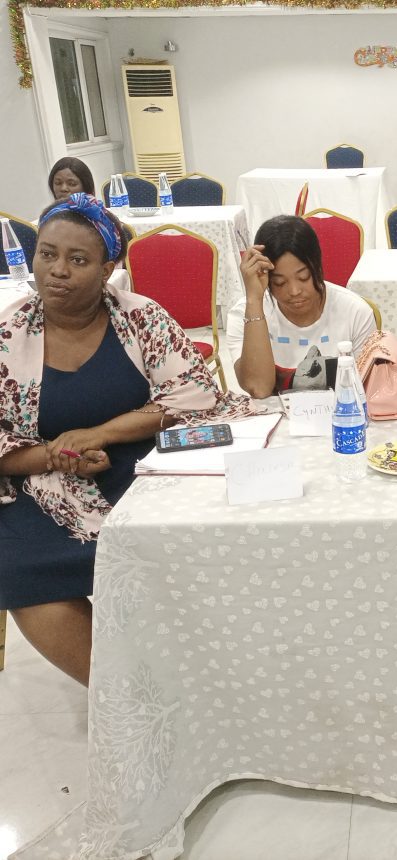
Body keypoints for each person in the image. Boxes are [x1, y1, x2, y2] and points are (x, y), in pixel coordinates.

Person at [0, 193, 256, 685]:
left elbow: (195, 392)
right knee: (19, 567)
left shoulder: (141, 317)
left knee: (190, 539)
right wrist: (55, 455)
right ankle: (132, 693)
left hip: (144, 468)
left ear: (107, 269)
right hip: (42, 484)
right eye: (47, 254)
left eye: (78, 260)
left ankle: (208, 673)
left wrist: (99, 433)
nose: (57, 270)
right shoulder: (8, 334)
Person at [227, 215, 376, 397]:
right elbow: (259, 389)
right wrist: (254, 300)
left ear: (318, 267)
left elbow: (366, 391)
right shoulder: (245, 312)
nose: (294, 291)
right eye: (280, 282)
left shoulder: (355, 312)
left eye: (303, 277)